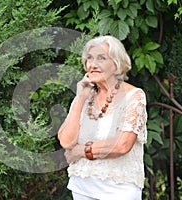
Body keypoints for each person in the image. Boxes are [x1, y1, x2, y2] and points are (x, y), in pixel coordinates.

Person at [58, 35, 147, 200]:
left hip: (119, 190)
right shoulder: (84, 96)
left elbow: (122, 145)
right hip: (82, 188)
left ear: (117, 65)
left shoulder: (134, 96)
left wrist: (80, 150)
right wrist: (79, 99)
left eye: (101, 58)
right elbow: (66, 142)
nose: (93, 65)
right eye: (89, 58)